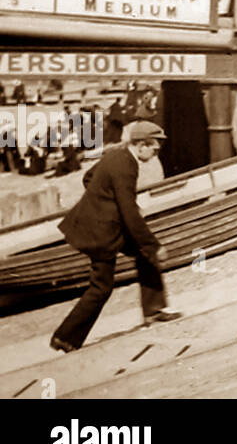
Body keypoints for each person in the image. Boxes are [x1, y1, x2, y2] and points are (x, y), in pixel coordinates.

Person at [49, 121, 181, 351]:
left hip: (101, 224)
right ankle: (65, 336)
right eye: (154, 148)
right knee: (102, 286)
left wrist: (106, 202)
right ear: (141, 144)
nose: (156, 152)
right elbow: (129, 213)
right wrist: (154, 245)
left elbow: (88, 178)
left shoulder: (115, 155)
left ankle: (154, 310)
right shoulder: (127, 165)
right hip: (101, 232)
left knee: (143, 254)